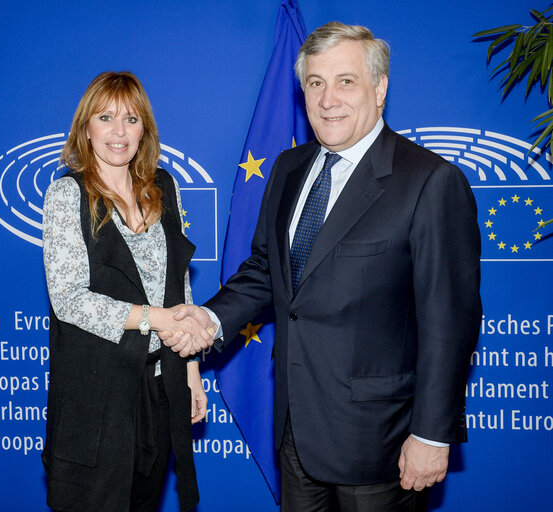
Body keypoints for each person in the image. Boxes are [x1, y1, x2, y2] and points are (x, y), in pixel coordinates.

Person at [163, 22, 482, 512]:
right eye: (315, 83)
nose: (328, 98)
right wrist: (209, 319)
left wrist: (432, 435)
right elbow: (268, 270)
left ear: (379, 88)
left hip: (382, 445)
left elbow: (450, 322)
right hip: (295, 434)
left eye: (345, 81)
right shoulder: (289, 168)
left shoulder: (430, 182)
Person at [41, 71, 211, 512]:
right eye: (106, 117)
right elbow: (69, 300)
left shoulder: (163, 187)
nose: (119, 132)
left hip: (159, 386)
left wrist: (190, 369)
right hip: (97, 396)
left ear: (145, 130)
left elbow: (179, 282)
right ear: (86, 128)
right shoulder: (67, 195)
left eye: (131, 119)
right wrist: (155, 317)